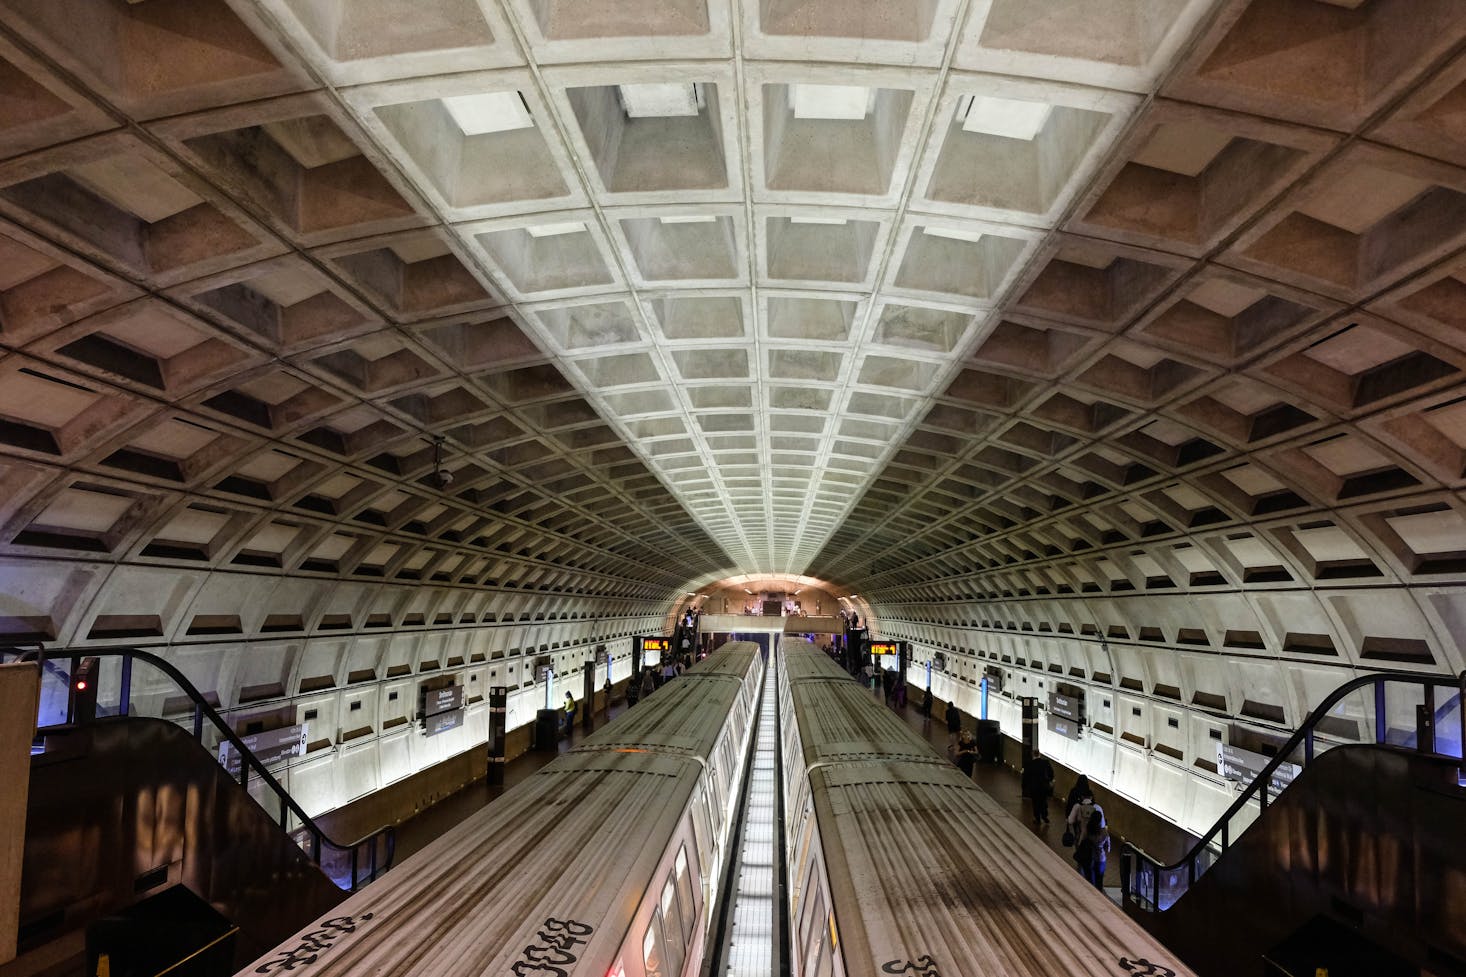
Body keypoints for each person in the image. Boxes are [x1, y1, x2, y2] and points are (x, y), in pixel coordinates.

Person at [1074, 809, 1110, 889]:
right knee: (1099, 881)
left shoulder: (1088, 829)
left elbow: (1081, 842)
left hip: (1089, 858)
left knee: (1090, 881)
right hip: (1101, 858)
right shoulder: (1104, 832)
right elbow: (1107, 848)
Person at [1020, 749, 1055, 825]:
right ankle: (1045, 816)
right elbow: (1051, 773)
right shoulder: (1045, 762)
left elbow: (1026, 776)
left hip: (1034, 787)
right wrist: (1050, 780)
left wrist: (1024, 786)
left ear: (1032, 755)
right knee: (1043, 801)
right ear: (1039, 754)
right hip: (1044, 787)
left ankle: (1037, 818)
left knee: (1035, 803)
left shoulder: (1029, 764)